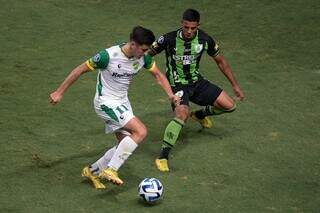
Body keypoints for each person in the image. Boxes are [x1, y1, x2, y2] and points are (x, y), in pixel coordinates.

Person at [49, 26, 180, 189]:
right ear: (133, 44)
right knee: (141, 131)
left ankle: (92, 171)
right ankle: (111, 169)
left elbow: (159, 75)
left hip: (123, 103)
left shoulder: (143, 58)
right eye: (144, 49)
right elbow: (79, 70)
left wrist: (170, 95)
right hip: (106, 103)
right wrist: (59, 92)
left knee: (125, 143)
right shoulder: (108, 56)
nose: (146, 53)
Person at [149, 9, 245, 172]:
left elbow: (221, 62)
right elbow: (147, 53)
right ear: (182, 23)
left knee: (230, 106)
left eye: (193, 28)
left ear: (198, 26)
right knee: (182, 115)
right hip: (177, 84)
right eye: (186, 27)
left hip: (197, 82)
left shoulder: (205, 39)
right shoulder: (168, 38)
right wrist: (156, 73)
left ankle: (200, 114)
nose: (189, 31)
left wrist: (235, 85)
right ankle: (163, 156)